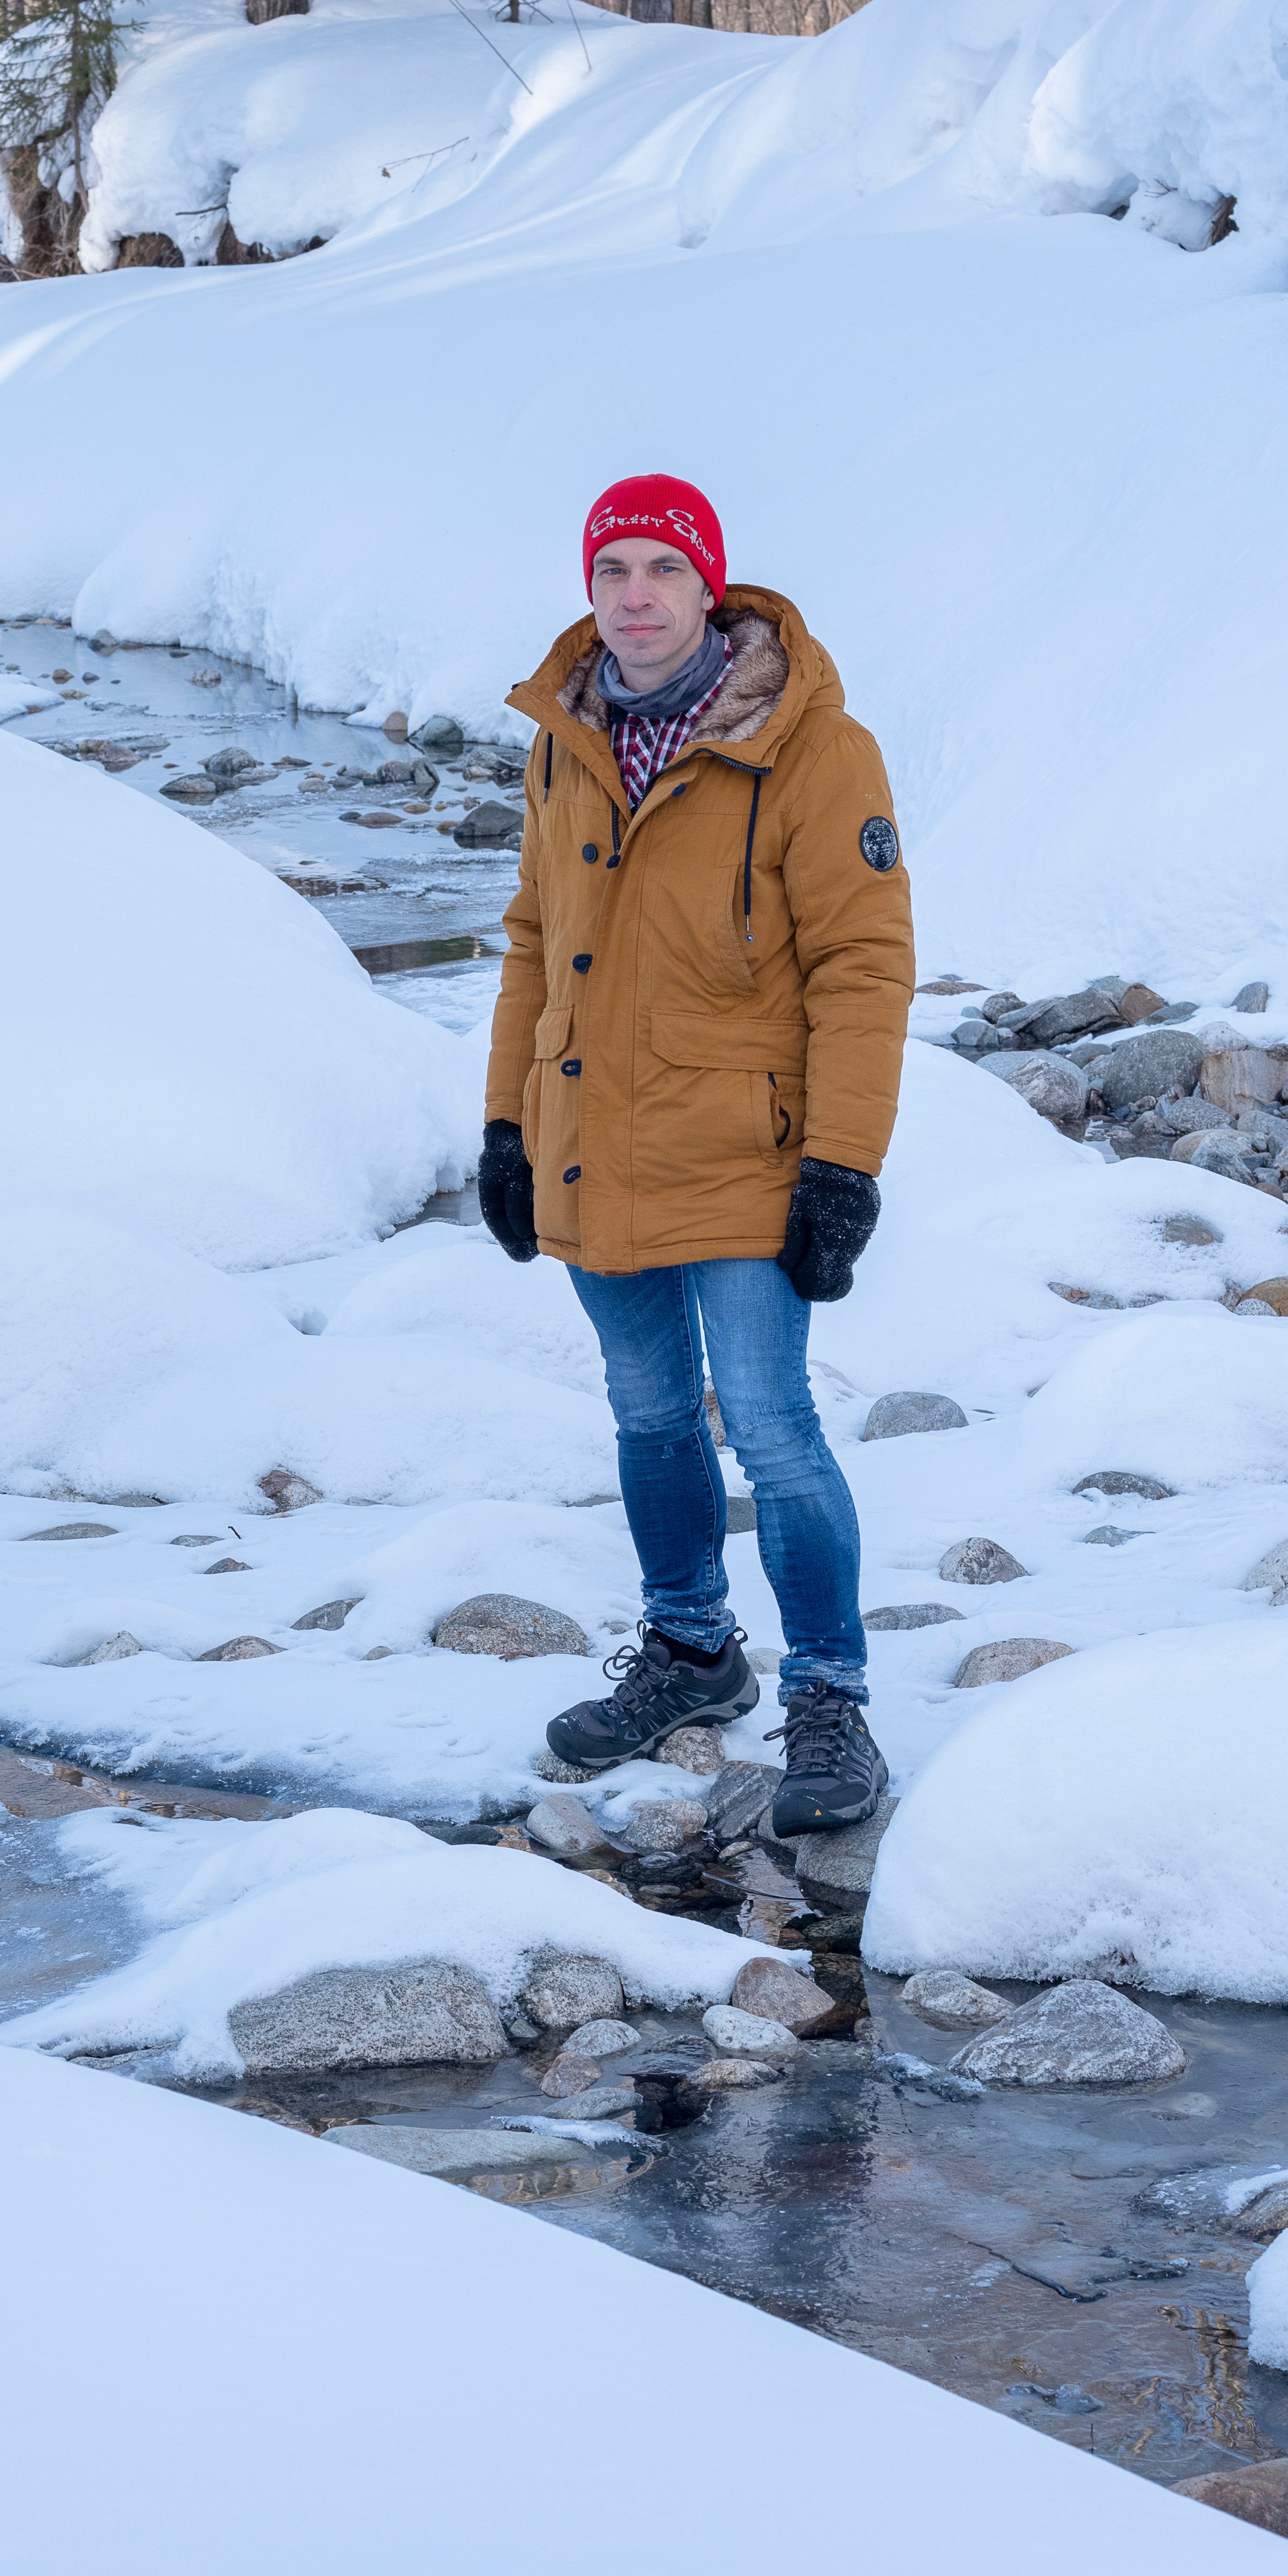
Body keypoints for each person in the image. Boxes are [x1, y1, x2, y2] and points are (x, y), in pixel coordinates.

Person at [477, 474, 914, 1834]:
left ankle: (831, 1699)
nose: (637, 596)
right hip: (596, 1141)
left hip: (745, 1152)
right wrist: (505, 1124)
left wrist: (844, 1163)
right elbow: (535, 944)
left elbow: (864, 965)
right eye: (615, 572)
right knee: (650, 1414)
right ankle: (689, 1652)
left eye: (665, 570)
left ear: (708, 588)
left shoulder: (815, 748)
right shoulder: (565, 737)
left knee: (773, 1429)